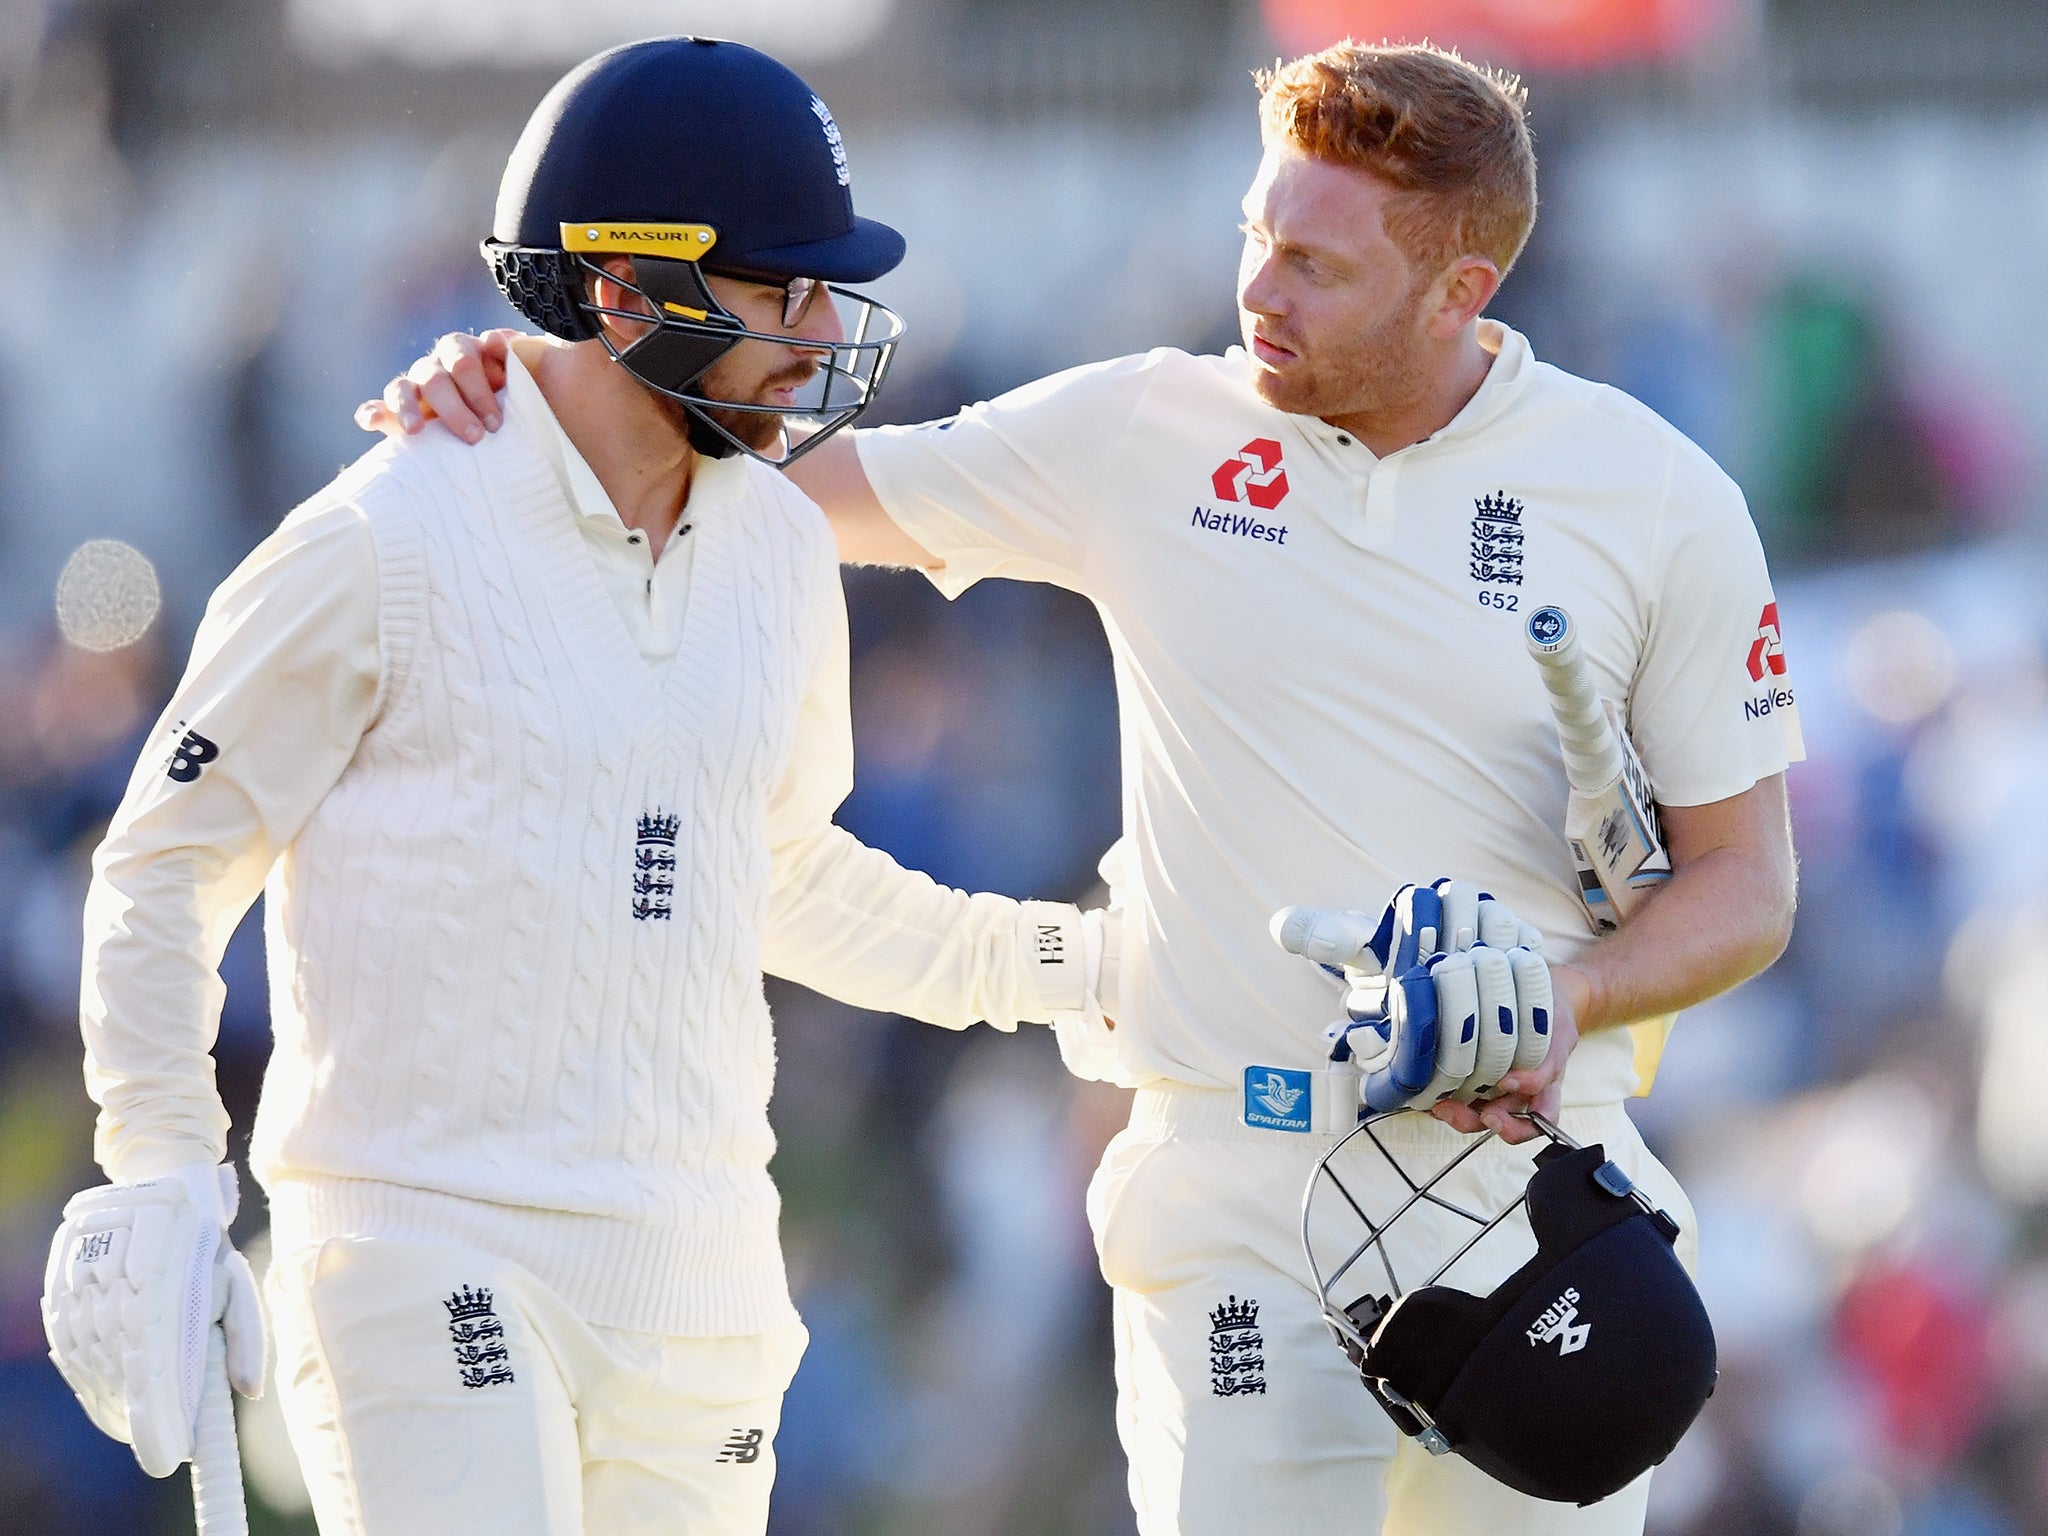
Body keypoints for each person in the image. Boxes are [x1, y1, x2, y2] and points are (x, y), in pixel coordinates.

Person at [366, 39, 1801, 1536]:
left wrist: (1569, 1002)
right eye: (1258, 235)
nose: (1259, 289)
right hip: (1235, 1195)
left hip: (1529, 1200)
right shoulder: (1145, 427)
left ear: (1462, 292)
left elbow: (1747, 888)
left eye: (1314, 264)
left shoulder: (1658, 497)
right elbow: (759, 498)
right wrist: (534, 389)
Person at [40, 38, 1114, 1536]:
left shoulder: (787, 555)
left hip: (700, 1279)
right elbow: (164, 858)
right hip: (426, 1251)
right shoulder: (384, 537)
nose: (818, 333)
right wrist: (157, 1165)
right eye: (779, 290)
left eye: (824, 290)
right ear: (624, 292)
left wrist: (1078, 966)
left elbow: (782, 876)